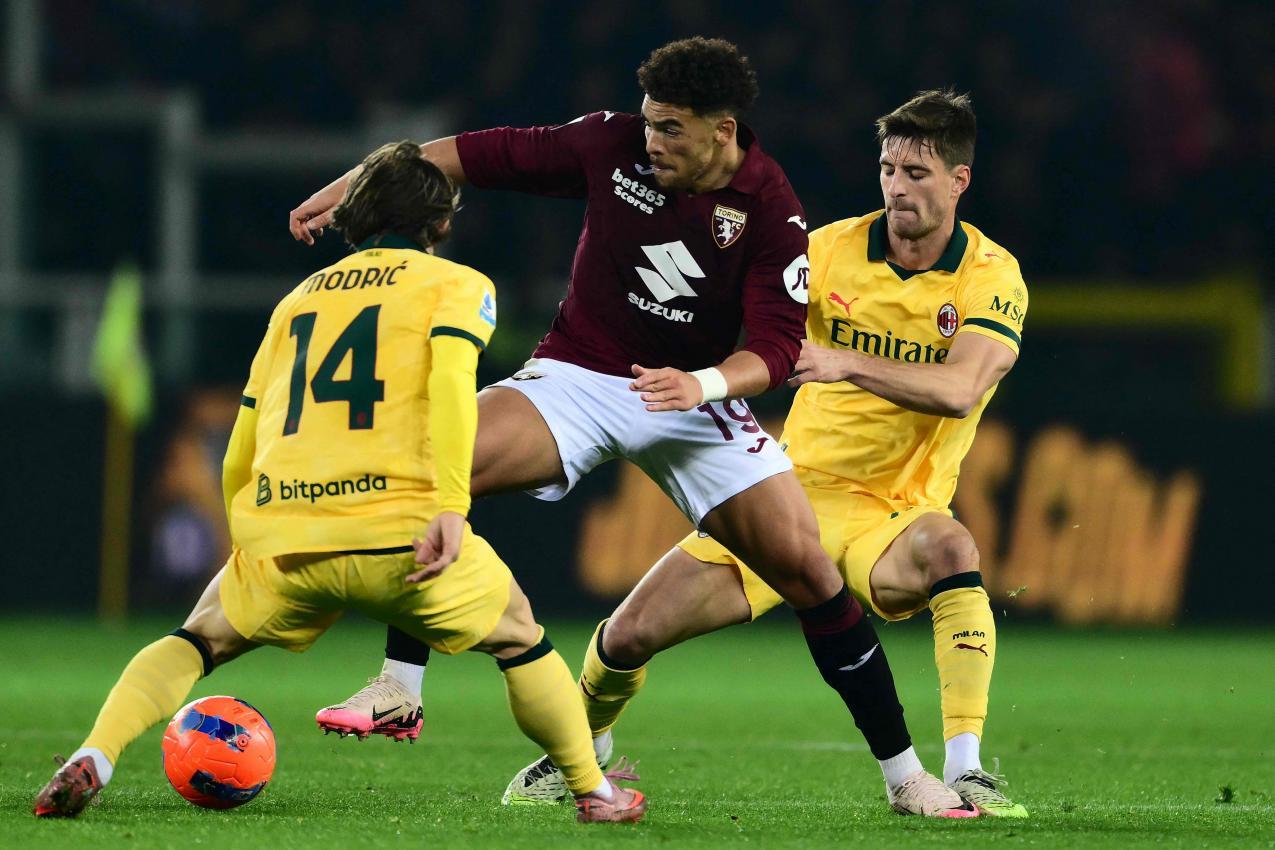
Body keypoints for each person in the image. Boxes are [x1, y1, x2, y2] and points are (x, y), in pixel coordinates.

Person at [289, 38, 968, 817]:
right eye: (649, 122)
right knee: (437, 462)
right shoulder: (609, 144)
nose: (651, 141)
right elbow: (470, 155)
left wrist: (701, 385)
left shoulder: (770, 208)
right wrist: (343, 190)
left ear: (722, 130)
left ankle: (907, 777)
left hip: (697, 402)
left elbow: (777, 348)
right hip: (580, 373)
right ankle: (399, 687)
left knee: (810, 573)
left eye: (671, 129)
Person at [33, 141, 645, 824]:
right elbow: (449, 393)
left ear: (357, 217)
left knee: (195, 640)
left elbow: (246, 429)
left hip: (287, 535)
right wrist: (448, 504)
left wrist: (245, 530)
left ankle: (96, 754)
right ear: (439, 223)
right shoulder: (457, 286)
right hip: (400, 539)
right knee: (519, 638)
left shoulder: (295, 302)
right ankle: (595, 792)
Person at [500, 90, 1030, 818]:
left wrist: (844, 362)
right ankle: (578, 753)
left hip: (892, 516)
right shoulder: (828, 250)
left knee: (950, 548)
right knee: (626, 636)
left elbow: (961, 389)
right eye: (887, 169)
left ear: (958, 181)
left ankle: (966, 769)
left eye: (915, 172)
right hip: (783, 493)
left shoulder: (990, 276)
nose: (897, 187)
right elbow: (743, 323)